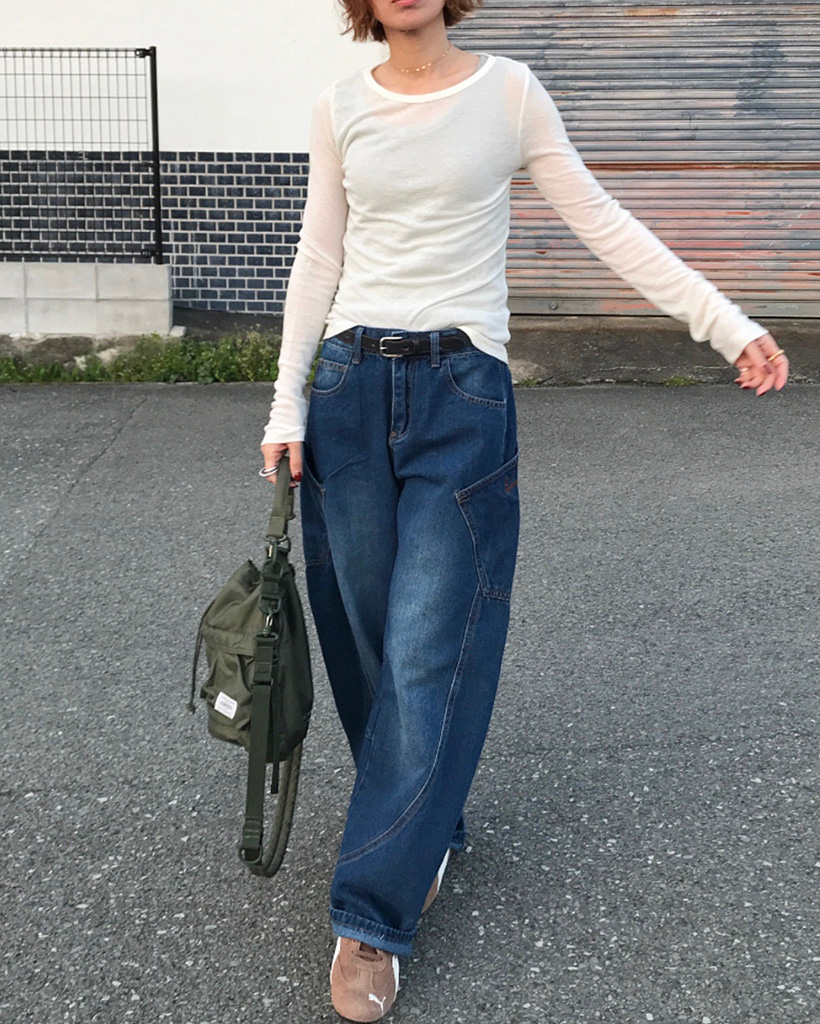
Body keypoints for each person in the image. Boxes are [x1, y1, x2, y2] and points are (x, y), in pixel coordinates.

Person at [258, 1, 789, 1019]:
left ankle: (371, 917)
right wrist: (286, 404)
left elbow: (601, 219)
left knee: (428, 646)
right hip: (348, 389)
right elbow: (318, 258)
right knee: (363, 639)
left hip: (461, 394)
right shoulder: (338, 107)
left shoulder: (508, 92)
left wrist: (723, 321)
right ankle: (422, 824)